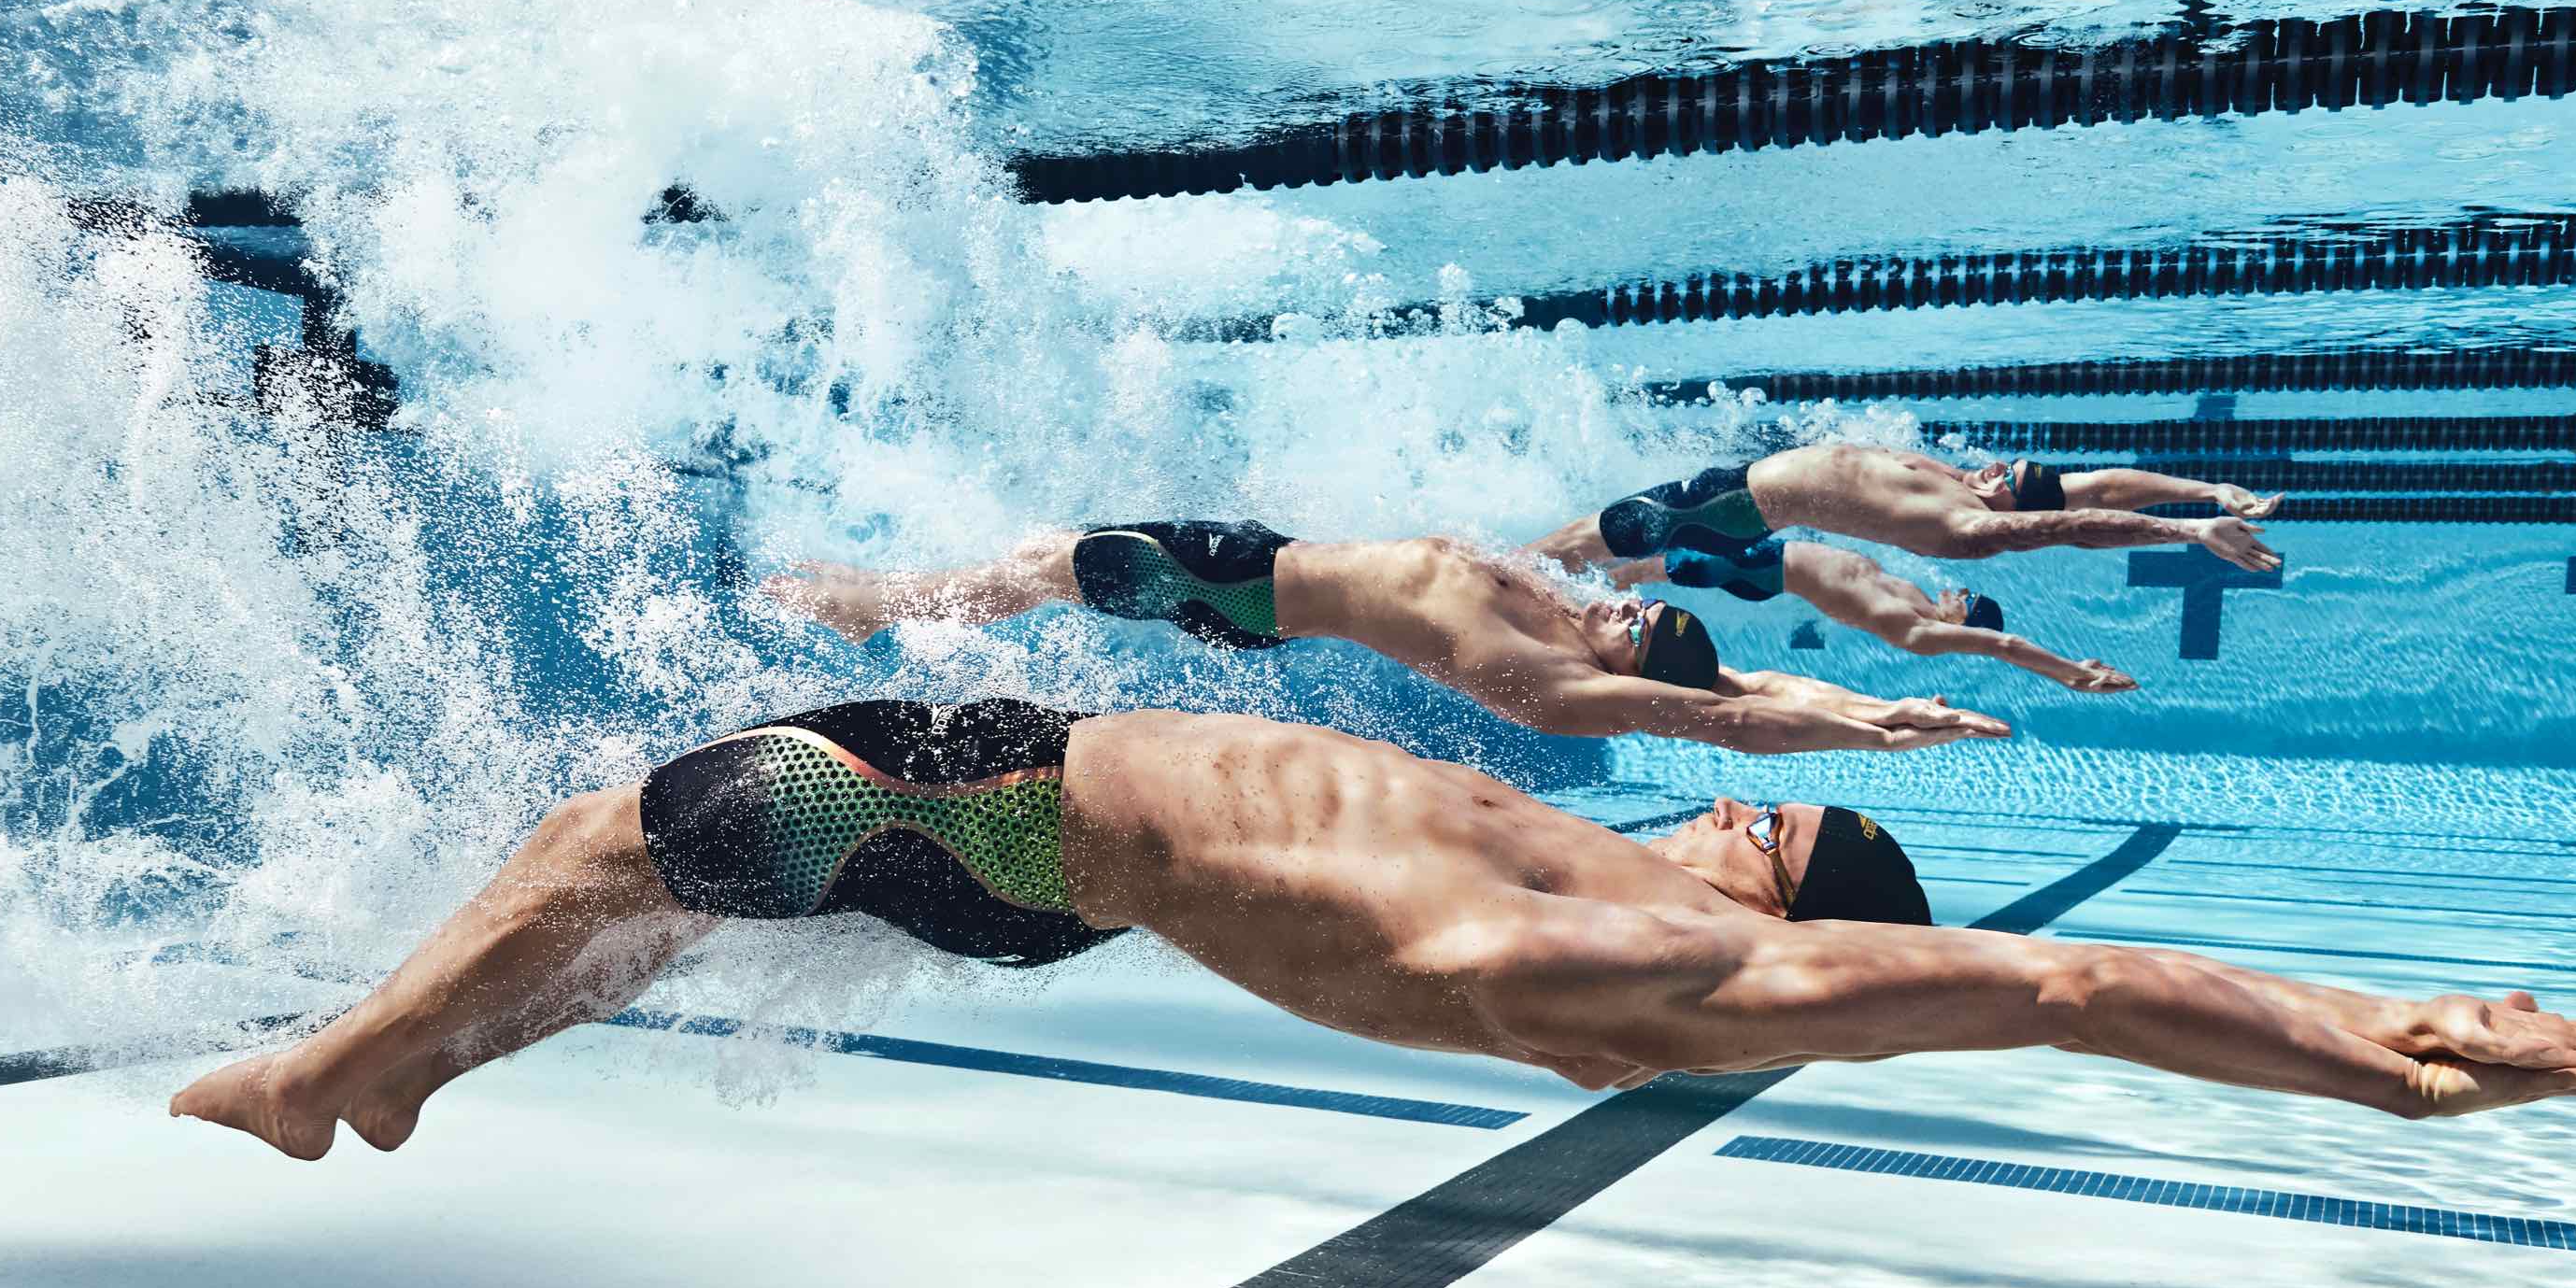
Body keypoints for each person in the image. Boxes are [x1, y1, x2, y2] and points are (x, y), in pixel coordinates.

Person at [170, 700, 2576, 1160]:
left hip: (1050, 832)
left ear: (1786, 891)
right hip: (1050, 832)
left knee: (624, 836)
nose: (1722, 811)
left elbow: (2058, 988)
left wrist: (2374, 1040)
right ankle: (392, 1056)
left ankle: (345, 1073)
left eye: (1757, 823)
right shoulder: (1624, 903)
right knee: (609, 848)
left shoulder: (1706, 971)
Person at [761, 521, 2009, 756]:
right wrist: (1865, 700)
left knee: (1044, 563)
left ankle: (886, 610)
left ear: (1622, 672)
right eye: (1649, 605)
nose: (1629, 605)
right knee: (1042, 564)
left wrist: (1872, 734)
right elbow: (1742, 675)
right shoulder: (1577, 618)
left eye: (1640, 628)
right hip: (1259, 554)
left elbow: (1723, 712)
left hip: (1248, 592)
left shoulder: (1560, 684)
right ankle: (902, 609)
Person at [1531, 446, 2286, 573]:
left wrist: (2189, 532)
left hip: (1727, 510)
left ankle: (1491, 575)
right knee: (1585, 548)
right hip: (1736, 479)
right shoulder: (1967, 484)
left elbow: (2078, 521)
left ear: (2008, 505)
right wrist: (2208, 490)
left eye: (2007, 475)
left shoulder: (1965, 528)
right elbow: (2104, 488)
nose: (1994, 465)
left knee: (1574, 545)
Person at [1615, 538, 2138, 694]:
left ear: (1966, 622)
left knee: (1655, 565)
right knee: (1660, 549)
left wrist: (2070, 671)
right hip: (1766, 560)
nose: (1959, 588)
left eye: (1968, 597)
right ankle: (1601, 574)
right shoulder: (1917, 597)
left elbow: (2004, 646)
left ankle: (1587, 579)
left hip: (1761, 571)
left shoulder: (1920, 630)